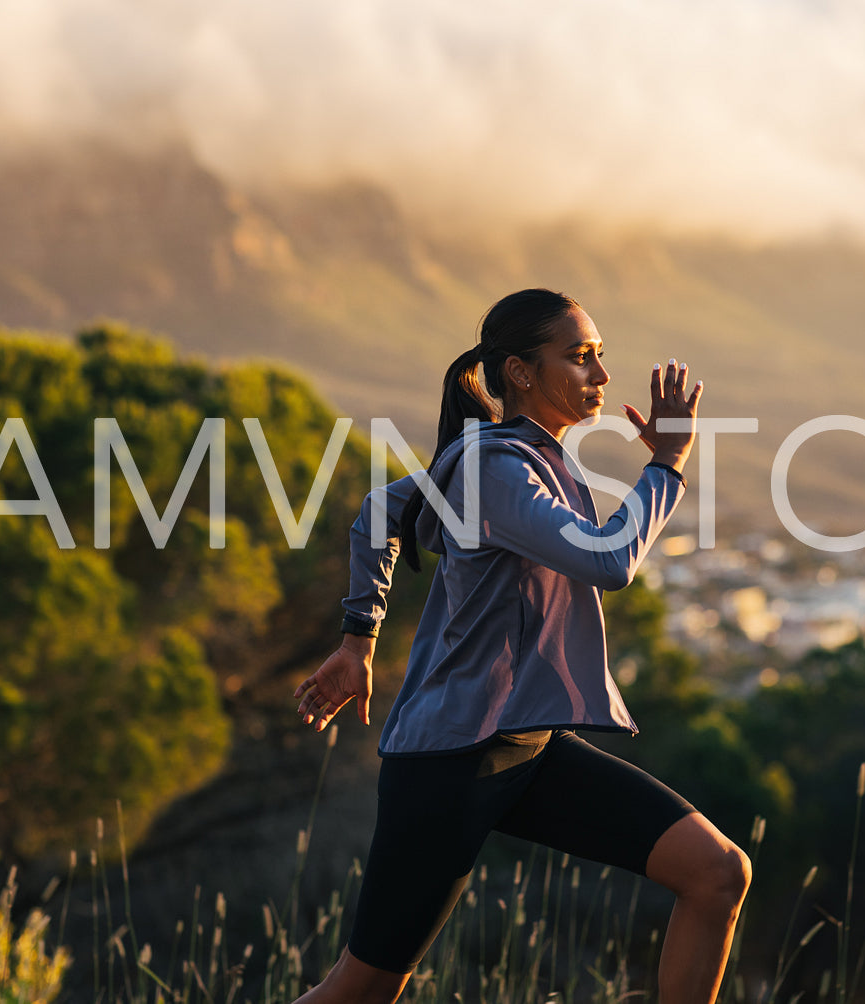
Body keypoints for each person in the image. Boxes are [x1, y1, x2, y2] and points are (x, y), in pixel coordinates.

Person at [290, 289, 750, 1004]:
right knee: (361, 990)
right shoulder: (493, 469)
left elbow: (380, 510)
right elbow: (608, 560)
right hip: (449, 763)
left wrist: (358, 642)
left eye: (600, 357)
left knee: (717, 872)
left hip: (526, 748)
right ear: (520, 373)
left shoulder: (518, 459)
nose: (599, 375)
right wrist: (666, 464)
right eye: (578, 358)